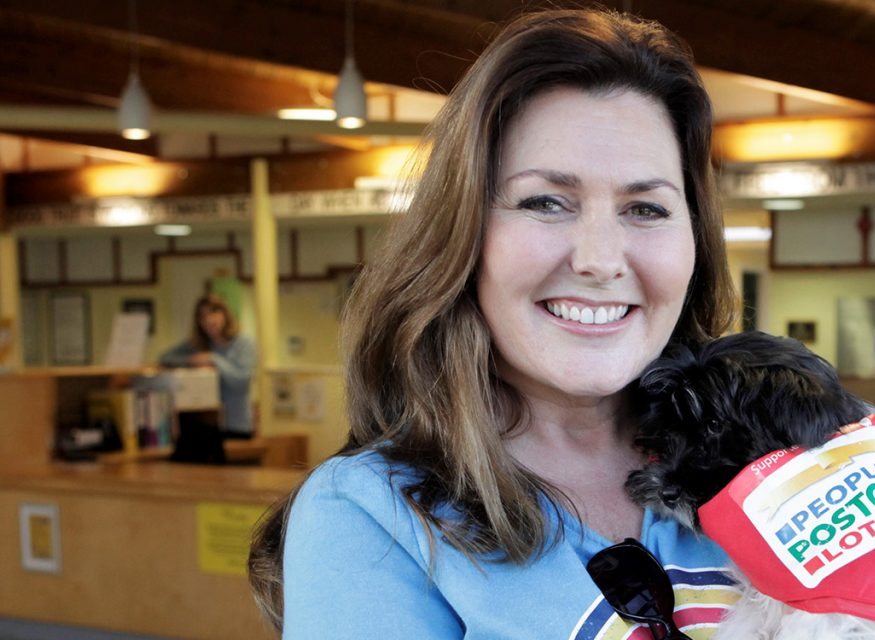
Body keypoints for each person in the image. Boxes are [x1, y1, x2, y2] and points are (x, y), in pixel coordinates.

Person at [247, 9, 738, 638]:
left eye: (646, 207)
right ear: (465, 234)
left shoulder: (777, 461)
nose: (599, 260)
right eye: (545, 202)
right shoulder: (374, 516)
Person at [158, 293, 256, 438]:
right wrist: (191, 361)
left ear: (224, 314)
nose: (209, 320)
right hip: (204, 423)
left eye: (214, 313)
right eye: (203, 316)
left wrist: (213, 359)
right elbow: (165, 358)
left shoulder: (243, 343)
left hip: (236, 425)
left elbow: (241, 381)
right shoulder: (197, 344)